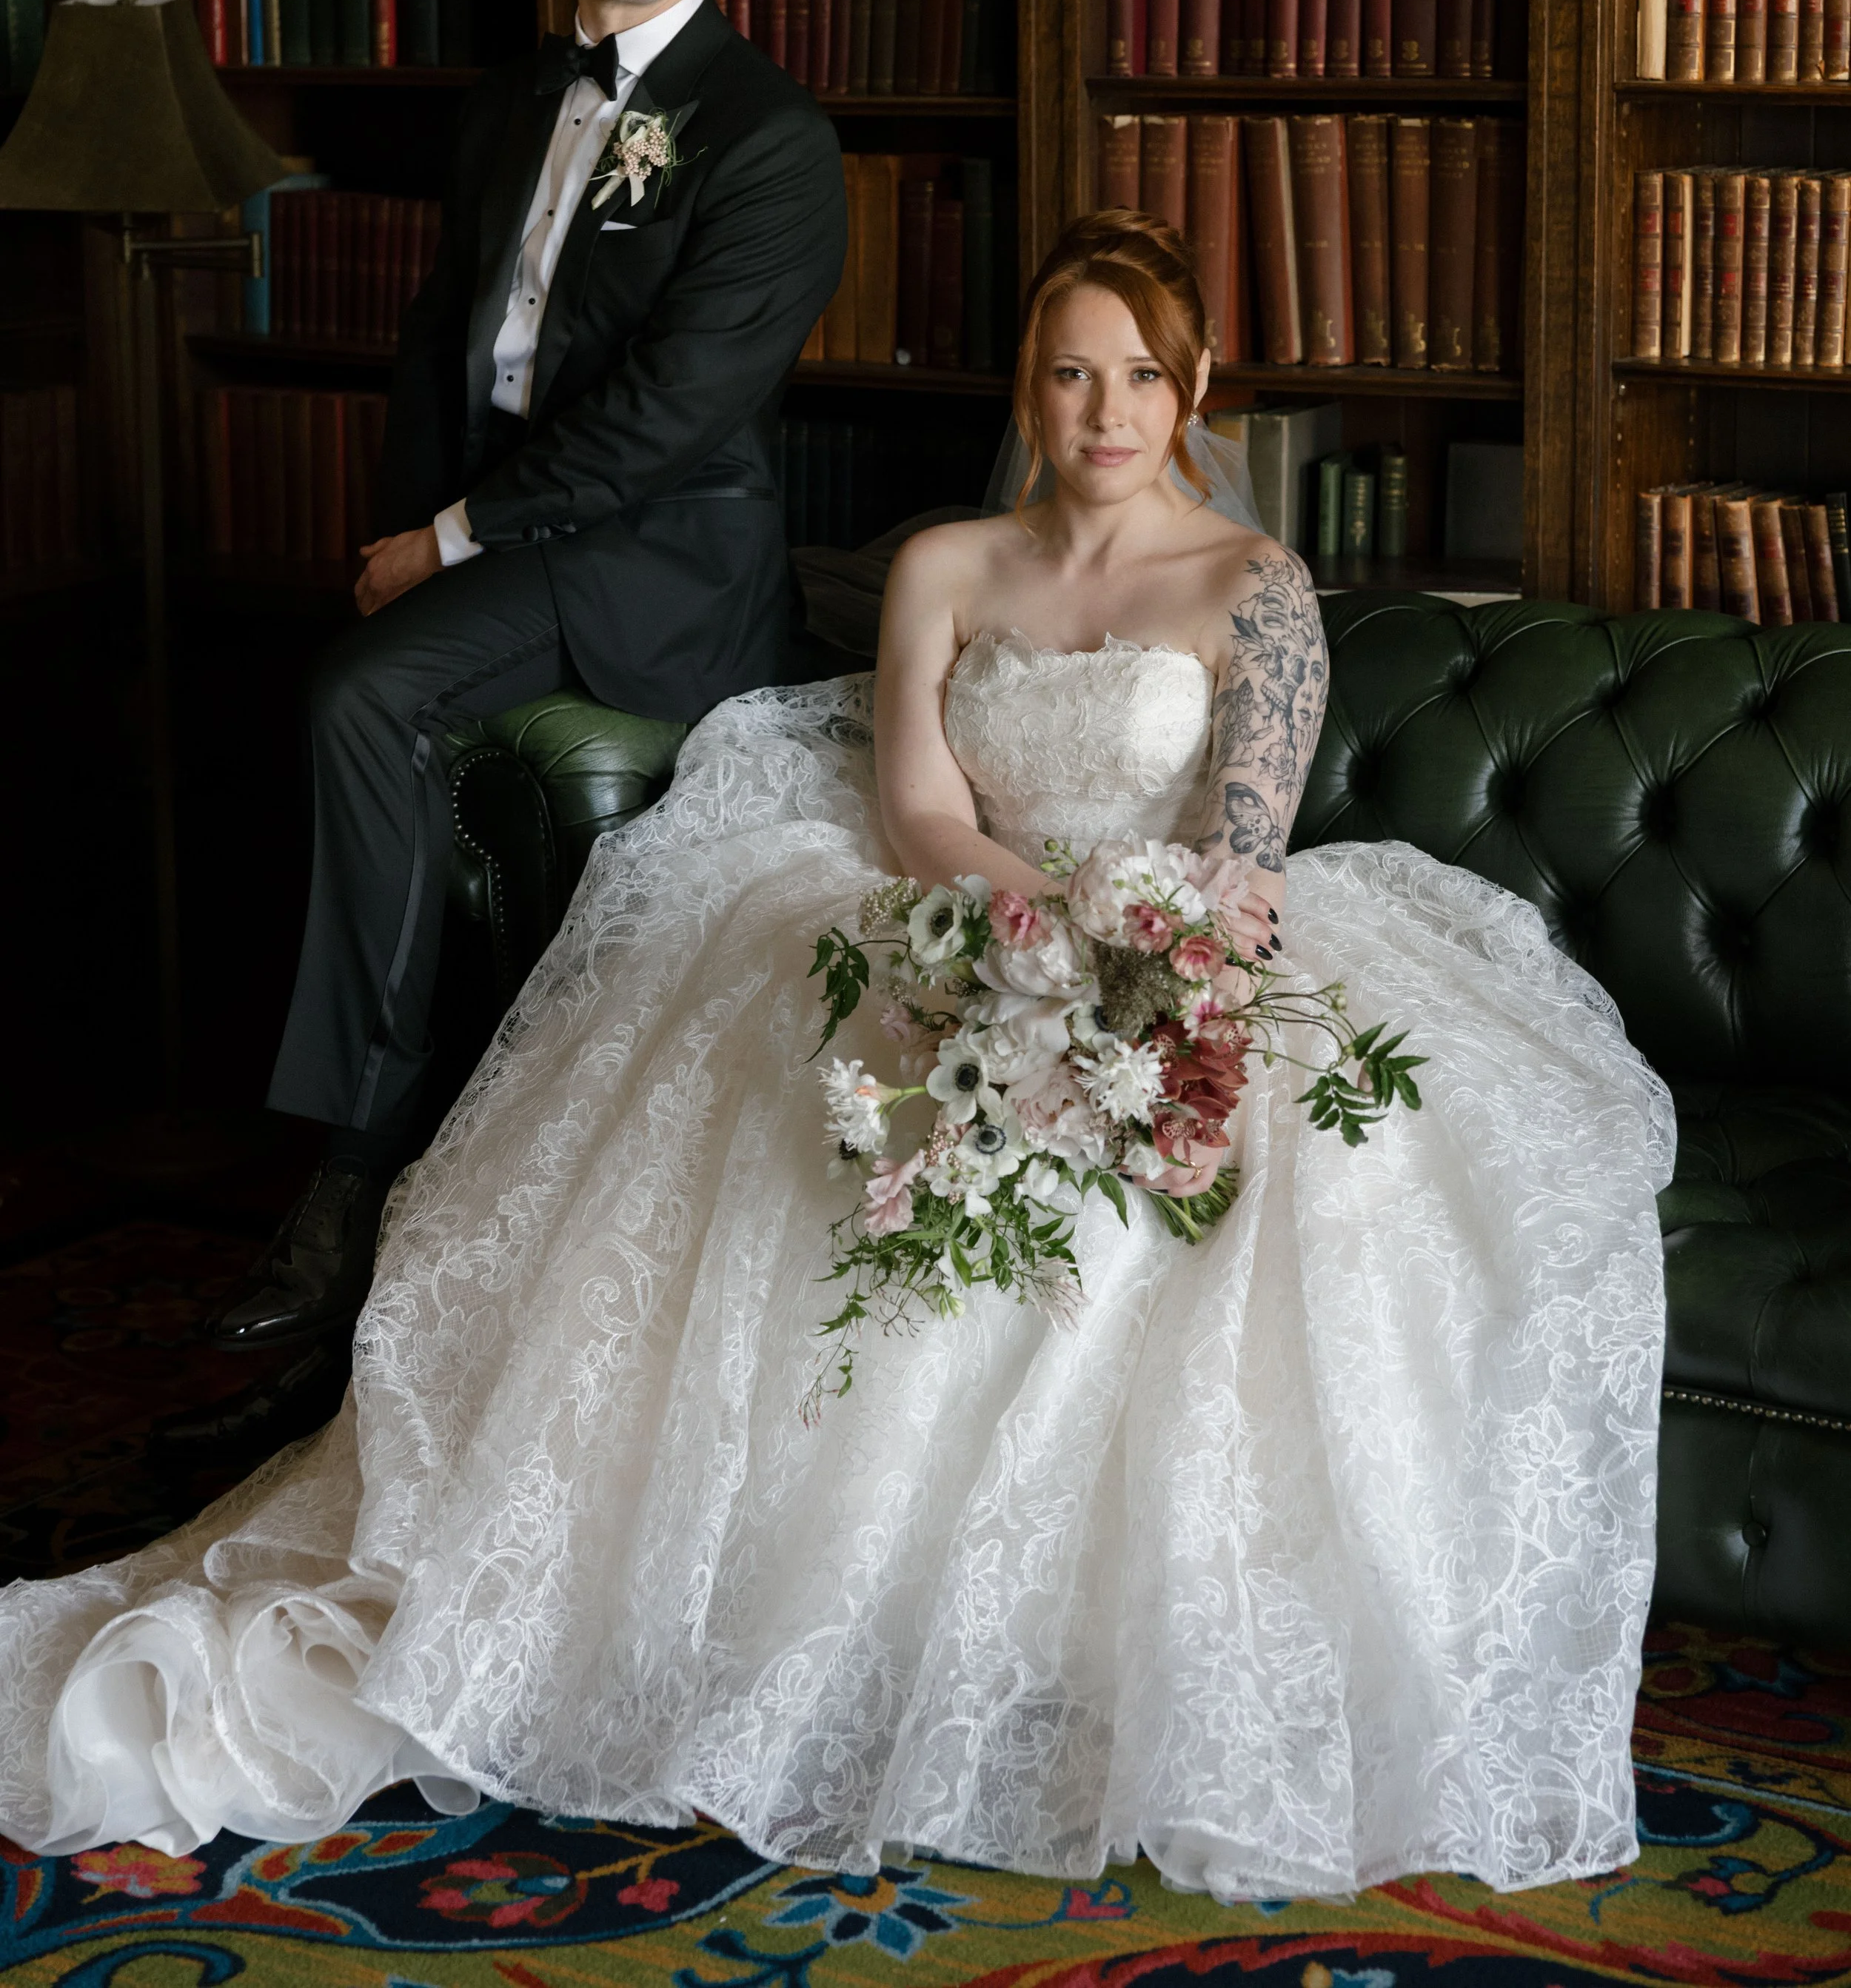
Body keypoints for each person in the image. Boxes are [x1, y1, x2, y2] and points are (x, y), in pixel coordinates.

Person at [0, 210, 1674, 1898]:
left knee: (1278, 1175)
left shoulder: (1256, 585)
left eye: (1139, 376)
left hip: (1177, 932)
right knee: (797, 1115)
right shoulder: (949, 563)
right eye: (1070, 373)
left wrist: (1128, 962)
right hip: (959, 907)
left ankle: (1060, 1651)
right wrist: (1023, 935)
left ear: (1194, 389)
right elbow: (919, 804)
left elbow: (1247, 845)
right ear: (1026, 385)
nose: (1104, 411)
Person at [190, 0, 847, 1419]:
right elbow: (440, 346)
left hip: (655, 563)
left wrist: (449, 546)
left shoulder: (770, 138)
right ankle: (391, 1158)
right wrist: (405, 536)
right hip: (499, 538)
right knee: (348, 673)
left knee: (363, 696)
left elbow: (668, 414)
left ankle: (355, 1163)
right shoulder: (502, 105)